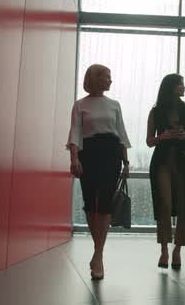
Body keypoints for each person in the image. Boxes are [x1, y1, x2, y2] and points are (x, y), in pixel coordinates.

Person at [67, 64, 131, 280]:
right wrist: (73, 158)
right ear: (95, 79)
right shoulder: (80, 105)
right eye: (107, 77)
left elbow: (121, 133)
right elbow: (75, 132)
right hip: (89, 154)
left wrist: (126, 162)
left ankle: (98, 256)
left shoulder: (115, 105)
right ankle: (98, 253)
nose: (110, 81)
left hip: (111, 154)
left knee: (104, 203)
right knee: (89, 202)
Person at [147, 73, 185, 270]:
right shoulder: (155, 112)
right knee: (165, 204)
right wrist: (162, 136)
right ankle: (163, 249)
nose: (184, 88)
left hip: (184, 162)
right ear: (171, 87)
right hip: (161, 162)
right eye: (181, 84)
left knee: (183, 207)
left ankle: (177, 250)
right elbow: (149, 141)